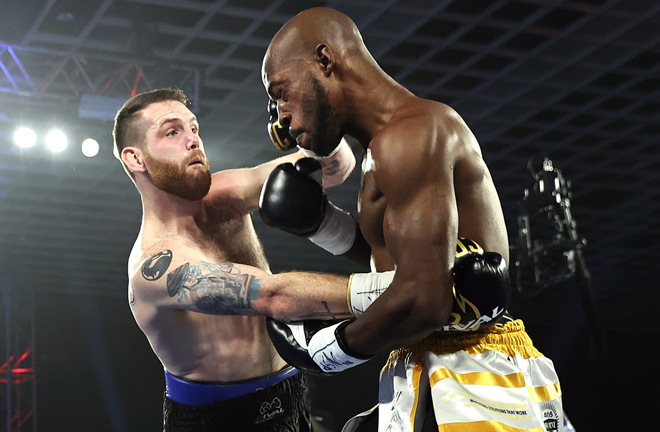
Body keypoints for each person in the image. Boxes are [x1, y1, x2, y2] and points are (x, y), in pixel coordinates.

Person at [259, 7, 565, 432]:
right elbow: (404, 258)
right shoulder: (383, 147)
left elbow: (425, 297)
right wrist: (323, 225)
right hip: (423, 357)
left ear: (325, 61)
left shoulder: (413, 134)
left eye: (280, 93)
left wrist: (328, 350)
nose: (281, 118)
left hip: (475, 366)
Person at [112, 87, 358, 432]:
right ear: (135, 159)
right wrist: (396, 291)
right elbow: (273, 297)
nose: (193, 140)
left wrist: (314, 132)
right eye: (172, 131)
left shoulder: (224, 193)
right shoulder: (154, 265)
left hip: (292, 393)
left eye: (194, 128)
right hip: (218, 420)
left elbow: (335, 169)